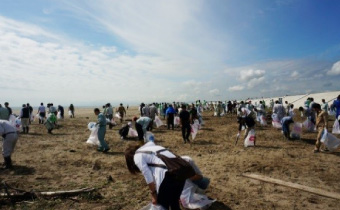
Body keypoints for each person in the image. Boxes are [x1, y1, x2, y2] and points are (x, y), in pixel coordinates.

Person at [125, 142, 186, 210]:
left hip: (168, 174)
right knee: (174, 202)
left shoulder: (137, 155)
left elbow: (147, 174)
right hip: (182, 171)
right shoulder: (154, 148)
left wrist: (154, 194)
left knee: (162, 205)